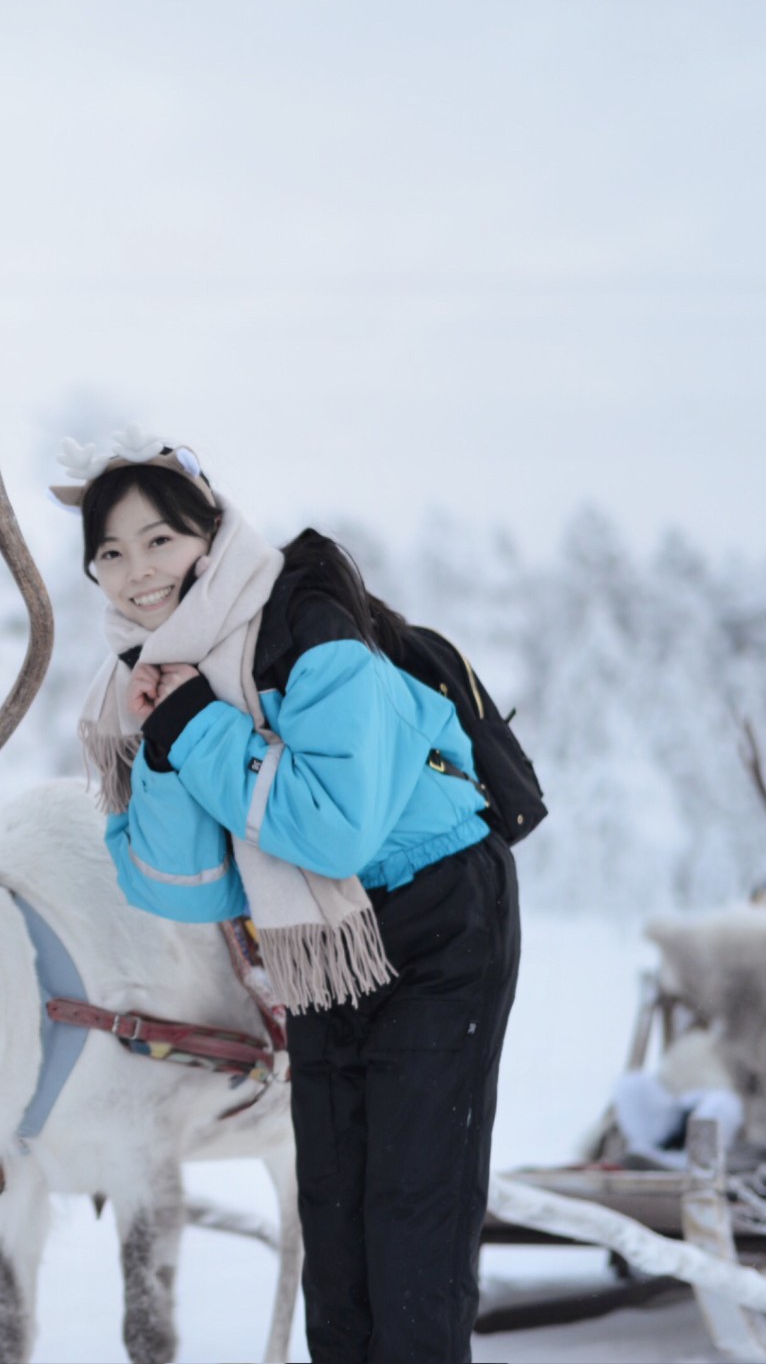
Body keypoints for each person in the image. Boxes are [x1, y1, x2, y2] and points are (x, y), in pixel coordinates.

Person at [52, 430, 521, 1364]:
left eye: (159, 540)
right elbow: (179, 885)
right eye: (109, 552)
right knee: (335, 1227)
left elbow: (330, 824)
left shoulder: (310, 622)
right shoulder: (142, 683)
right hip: (318, 944)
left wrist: (193, 723)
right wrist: (171, 733)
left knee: (412, 1222)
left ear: (210, 532)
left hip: (438, 915)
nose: (136, 572)